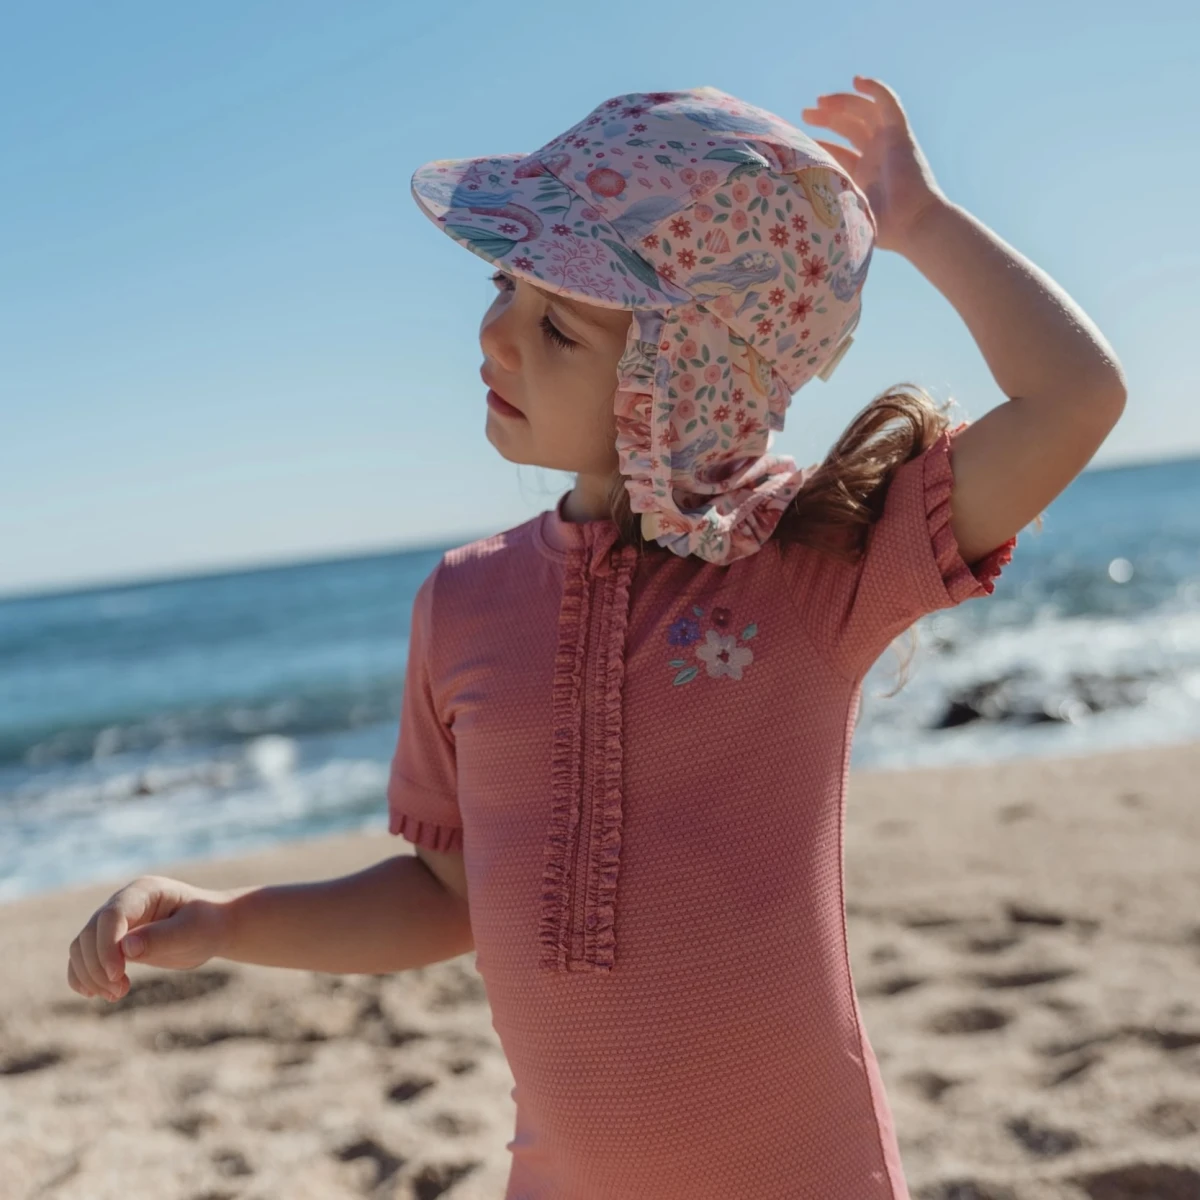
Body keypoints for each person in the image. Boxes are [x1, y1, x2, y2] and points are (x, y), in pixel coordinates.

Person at [67, 79, 1126, 1198]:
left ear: (690, 378)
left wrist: (923, 224)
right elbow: (445, 898)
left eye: (558, 325)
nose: (494, 334)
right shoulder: (462, 603)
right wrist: (228, 921)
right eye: (505, 287)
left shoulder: (809, 567)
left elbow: (1075, 399)